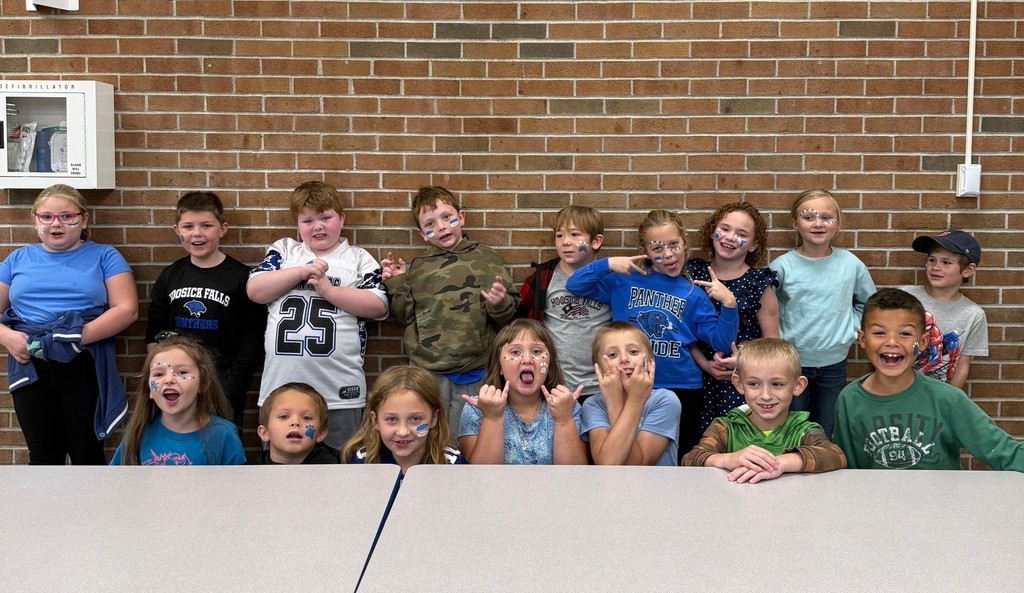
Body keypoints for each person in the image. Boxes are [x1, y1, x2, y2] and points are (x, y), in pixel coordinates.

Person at [567, 208, 739, 458]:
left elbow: (721, 341)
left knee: (677, 461)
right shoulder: (625, 280)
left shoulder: (694, 294)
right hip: (627, 384)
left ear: (684, 243)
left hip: (681, 387)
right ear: (646, 250)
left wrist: (730, 305)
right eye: (657, 248)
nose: (668, 255)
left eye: (674, 245)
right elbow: (574, 285)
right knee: (626, 456)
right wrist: (606, 264)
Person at [0, 184, 137, 465]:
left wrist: (72, 338)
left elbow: (127, 309)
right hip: (29, 360)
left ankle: (94, 511)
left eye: (67, 216)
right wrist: (7, 337)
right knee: (43, 455)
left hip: (83, 360)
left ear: (83, 219)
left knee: (86, 453)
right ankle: (45, 511)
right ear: (35, 219)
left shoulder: (105, 255)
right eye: (47, 217)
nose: (56, 224)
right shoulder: (17, 259)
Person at [247, 181, 389, 449]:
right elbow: (255, 290)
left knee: (341, 470)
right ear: (298, 225)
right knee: (280, 470)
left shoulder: (357, 258)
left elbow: (379, 306)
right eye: (308, 220)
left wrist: (328, 290)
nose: (318, 226)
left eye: (326, 217)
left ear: (342, 218)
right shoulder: (286, 251)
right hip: (281, 391)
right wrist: (302, 271)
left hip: (339, 390)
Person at [381, 186, 518, 440]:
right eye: (430, 224)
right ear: (422, 234)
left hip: (474, 366)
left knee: (467, 437)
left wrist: (499, 302)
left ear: (461, 217)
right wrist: (397, 284)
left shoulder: (485, 258)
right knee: (428, 435)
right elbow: (404, 316)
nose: (442, 226)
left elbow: (507, 317)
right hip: (428, 370)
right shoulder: (419, 268)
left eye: (447, 217)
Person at [834, 288, 1022, 471]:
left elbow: (1005, 452)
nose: (891, 342)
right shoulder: (849, 399)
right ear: (863, 339)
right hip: (877, 500)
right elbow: (848, 469)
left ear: (923, 342)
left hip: (941, 500)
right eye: (879, 332)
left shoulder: (949, 399)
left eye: (905, 333)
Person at [145, 191, 266, 430]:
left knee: (219, 446)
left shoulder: (242, 277)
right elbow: (154, 328)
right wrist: (163, 374)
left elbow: (253, 336)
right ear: (177, 230)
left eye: (206, 225)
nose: (197, 233)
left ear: (223, 229)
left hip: (223, 384)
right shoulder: (170, 275)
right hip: (176, 384)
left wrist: (232, 382)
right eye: (188, 226)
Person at [769, 189, 875, 438]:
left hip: (833, 365)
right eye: (809, 217)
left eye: (826, 217)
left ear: (838, 224)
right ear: (795, 223)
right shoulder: (781, 267)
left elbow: (869, 305)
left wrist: (852, 329)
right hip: (790, 365)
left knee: (825, 430)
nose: (818, 223)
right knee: (789, 431)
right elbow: (768, 311)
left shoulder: (851, 264)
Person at [682, 338, 847, 482]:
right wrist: (728, 459)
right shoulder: (725, 427)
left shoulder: (803, 430)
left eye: (777, 384)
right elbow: (690, 459)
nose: (766, 395)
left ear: (798, 386)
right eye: (754, 384)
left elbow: (836, 456)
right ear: (739, 384)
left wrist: (781, 463)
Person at [685, 202, 778, 430]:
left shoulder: (758, 285)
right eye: (724, 229)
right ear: (712, 230)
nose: (730, 237)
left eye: (741, 234)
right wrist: (705, 364)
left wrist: (743, 361)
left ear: (754, 244)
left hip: (739, 381)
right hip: (695, 375)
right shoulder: (692, 273)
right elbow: (679, 328)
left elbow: (773, 343)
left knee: (735, 441)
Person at [516, 205, 611, 405]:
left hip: (602, 385)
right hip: (555, 385)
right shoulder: (542, 279)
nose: (566, 242)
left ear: (596, 241)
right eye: (559, 236)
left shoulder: (610, 278)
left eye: (575, 235)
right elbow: (520, 323)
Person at [458, 319, 587, 465]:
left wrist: (564, 420)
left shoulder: (568, 407)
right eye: (515, 352)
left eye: (537, 351)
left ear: (550, 364)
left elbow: (573, 476)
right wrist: (492, 418)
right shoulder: (477, 409)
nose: (527, 359)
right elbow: (481, 476)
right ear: (499, 366)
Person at [110, 336, 245, 465]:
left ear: (203, 384)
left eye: (182, 372)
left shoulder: (223, 435)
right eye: (159, 374)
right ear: (149, 389)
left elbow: (237, 487)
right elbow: (116, 482)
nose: (169, 380)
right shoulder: (137, 433)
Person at [583, 322, 680, 466]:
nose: (624, 358)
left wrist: (634, 400)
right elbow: (608, 462)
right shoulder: (593, 405)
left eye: (633, 352)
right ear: (597, 367)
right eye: (612, 354)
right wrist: (614, 401)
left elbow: (638, 466)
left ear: (650, 360)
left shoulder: (665, 400)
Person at [901, 230, 987, 389]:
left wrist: (951, 400)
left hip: (938, 396)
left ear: (967, 270)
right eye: (932, 260)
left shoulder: (974, 315)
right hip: (897, 389)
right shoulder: (904, 296)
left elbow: (962, 364)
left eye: (946, 262)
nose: (936, 267)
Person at [342, 365, 466, 475]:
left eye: (415, 418)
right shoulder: (363, 462)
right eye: (392, 419)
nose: (403, 432)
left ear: (433, 418)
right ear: (375, 420)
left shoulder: (452, 465)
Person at [254, 382, 338, 464]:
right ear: (265, 432)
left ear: (320, 433)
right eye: (284, 416)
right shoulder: (249, 474)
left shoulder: (338, 472)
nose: (295, 422)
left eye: (306, 417)